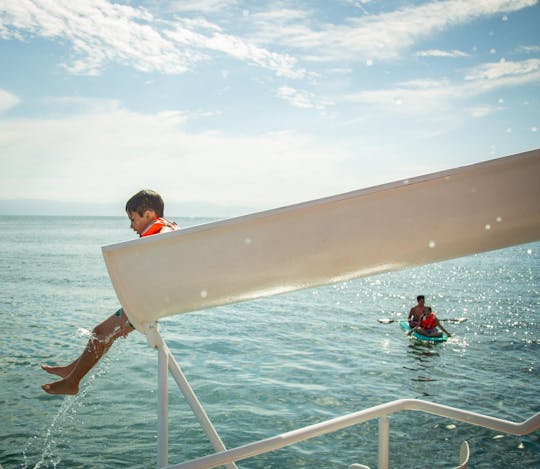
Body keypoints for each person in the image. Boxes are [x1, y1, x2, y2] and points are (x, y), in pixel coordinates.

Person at [41, 190, 179, 395]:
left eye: (133, 219)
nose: (131, 226)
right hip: (155, 300)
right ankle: (73, 372)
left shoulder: (162, 232)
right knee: (101, 332)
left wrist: (132, 313)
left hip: (151, 304)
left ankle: (73, 381)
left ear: (149, 215)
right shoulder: (164, 229)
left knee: (101, 332)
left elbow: (160, 264)